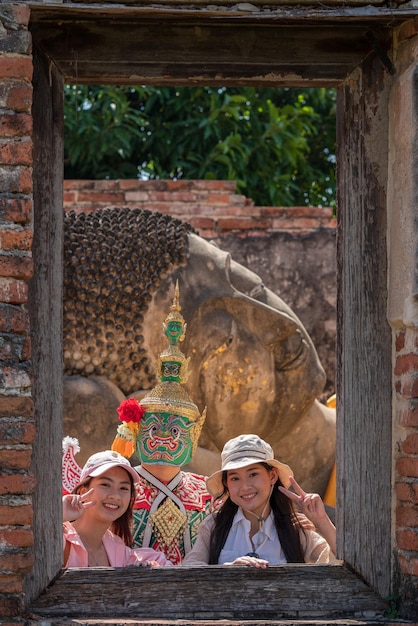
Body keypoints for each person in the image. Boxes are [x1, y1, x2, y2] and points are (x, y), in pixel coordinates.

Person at [111, 281, 212, 564]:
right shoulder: (120, 486)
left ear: (195, 434)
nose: (165, 437)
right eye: (155, 428)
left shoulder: (207, 491)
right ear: (137, 429)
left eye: (177, 430)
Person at [182, 433, 336, 567]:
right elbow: (189, 569)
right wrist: (227, 571)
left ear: (272, 476)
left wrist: (322, 521)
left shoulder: (294, 528)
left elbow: (343, 564)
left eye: (253, 474)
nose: (244, 486)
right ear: (226, 484)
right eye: (235, 478)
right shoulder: (215, 526)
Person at [63, 449, 173, 567]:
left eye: (123, 488)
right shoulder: (61, 537)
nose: (115, 496)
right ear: (83, 491)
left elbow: (167, 569)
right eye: (105, 485)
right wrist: (57, 516)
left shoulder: (119, 551)